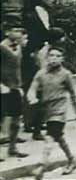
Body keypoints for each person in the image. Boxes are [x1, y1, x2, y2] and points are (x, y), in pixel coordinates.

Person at [26, 47, 76, 177]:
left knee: (49, 138)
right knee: (59, 138)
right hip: (46, 110)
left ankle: (41, 167)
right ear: (47, 57)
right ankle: (72, 159)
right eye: (51, 55)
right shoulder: (41, 73)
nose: (54, 58)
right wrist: (31, 97)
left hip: (59, 111)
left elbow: (73, 93)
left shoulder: (66, 74)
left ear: (62, 59)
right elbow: (32, 88)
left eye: (57, 56)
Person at [23, 0, 56, 139]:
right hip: (35, 52)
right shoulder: (30, 15)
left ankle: (39, 120)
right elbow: (30, 35)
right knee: (33, 85)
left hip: (45, 49)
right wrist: (33, 52)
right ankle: (29, 121)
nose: (52, 1)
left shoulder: (48, 14)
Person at [1, 13, 29, 160]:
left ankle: (12, 148)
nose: (19, 33)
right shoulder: (1, 47)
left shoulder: (18, 47)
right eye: (15, 30)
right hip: (3, 87)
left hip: (15, 86)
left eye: (20, 30)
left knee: (16, 119)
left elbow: (18, 68)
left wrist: (19, 86)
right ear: (7, 32)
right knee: (3, 120)